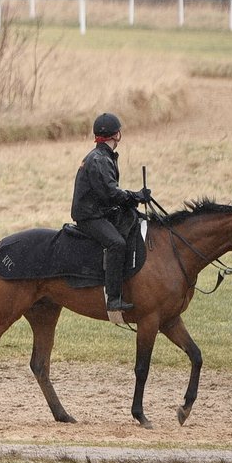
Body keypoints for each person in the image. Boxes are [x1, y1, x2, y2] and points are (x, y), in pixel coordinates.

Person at [70, 111, 152, 312]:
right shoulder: (99, 159)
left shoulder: (103, 156)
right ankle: (113, 298)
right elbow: (110, 193)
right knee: (116, 244)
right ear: (116, 135)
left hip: (100, 212)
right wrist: (136, 196)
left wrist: (133, 200)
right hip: (89, 216)